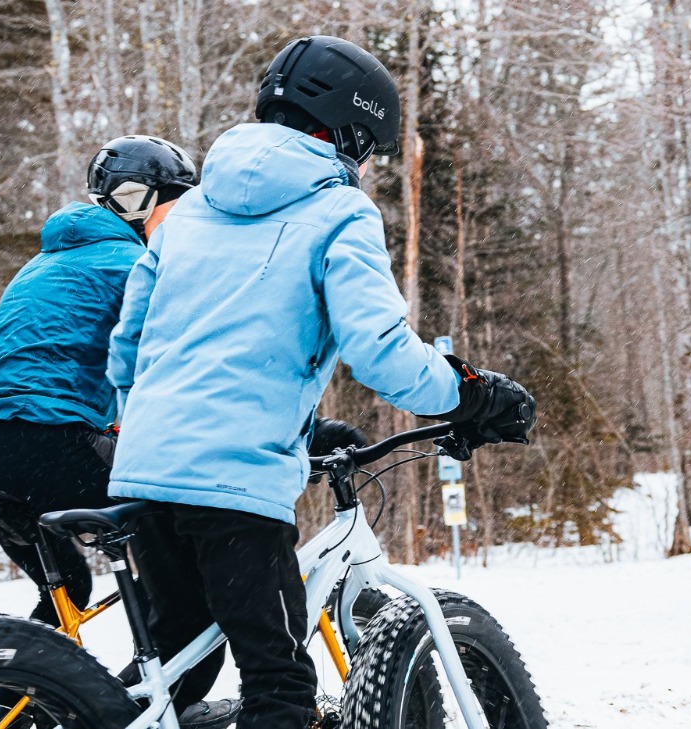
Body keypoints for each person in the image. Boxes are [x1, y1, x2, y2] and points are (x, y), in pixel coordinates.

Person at [106, 36, 537, 729]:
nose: (365, 166)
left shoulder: (184, 213)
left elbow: (127, 348)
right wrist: (475, 394)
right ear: (351, 131)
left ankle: (64, 703)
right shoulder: (340, 211)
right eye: (367, 150)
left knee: (178, 668)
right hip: (234, 484)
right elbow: (381, 351)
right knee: (278, 686)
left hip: (143, 472)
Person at [0, 135, 237, 729]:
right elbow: (183, 364)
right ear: (138, 202)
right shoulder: (133, 263)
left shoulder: (43, 263)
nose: (182, 221)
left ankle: (17, 709)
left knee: (68, 591)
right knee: (193, 596)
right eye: (177, 205)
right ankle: (144, 710)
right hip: (47, 443)